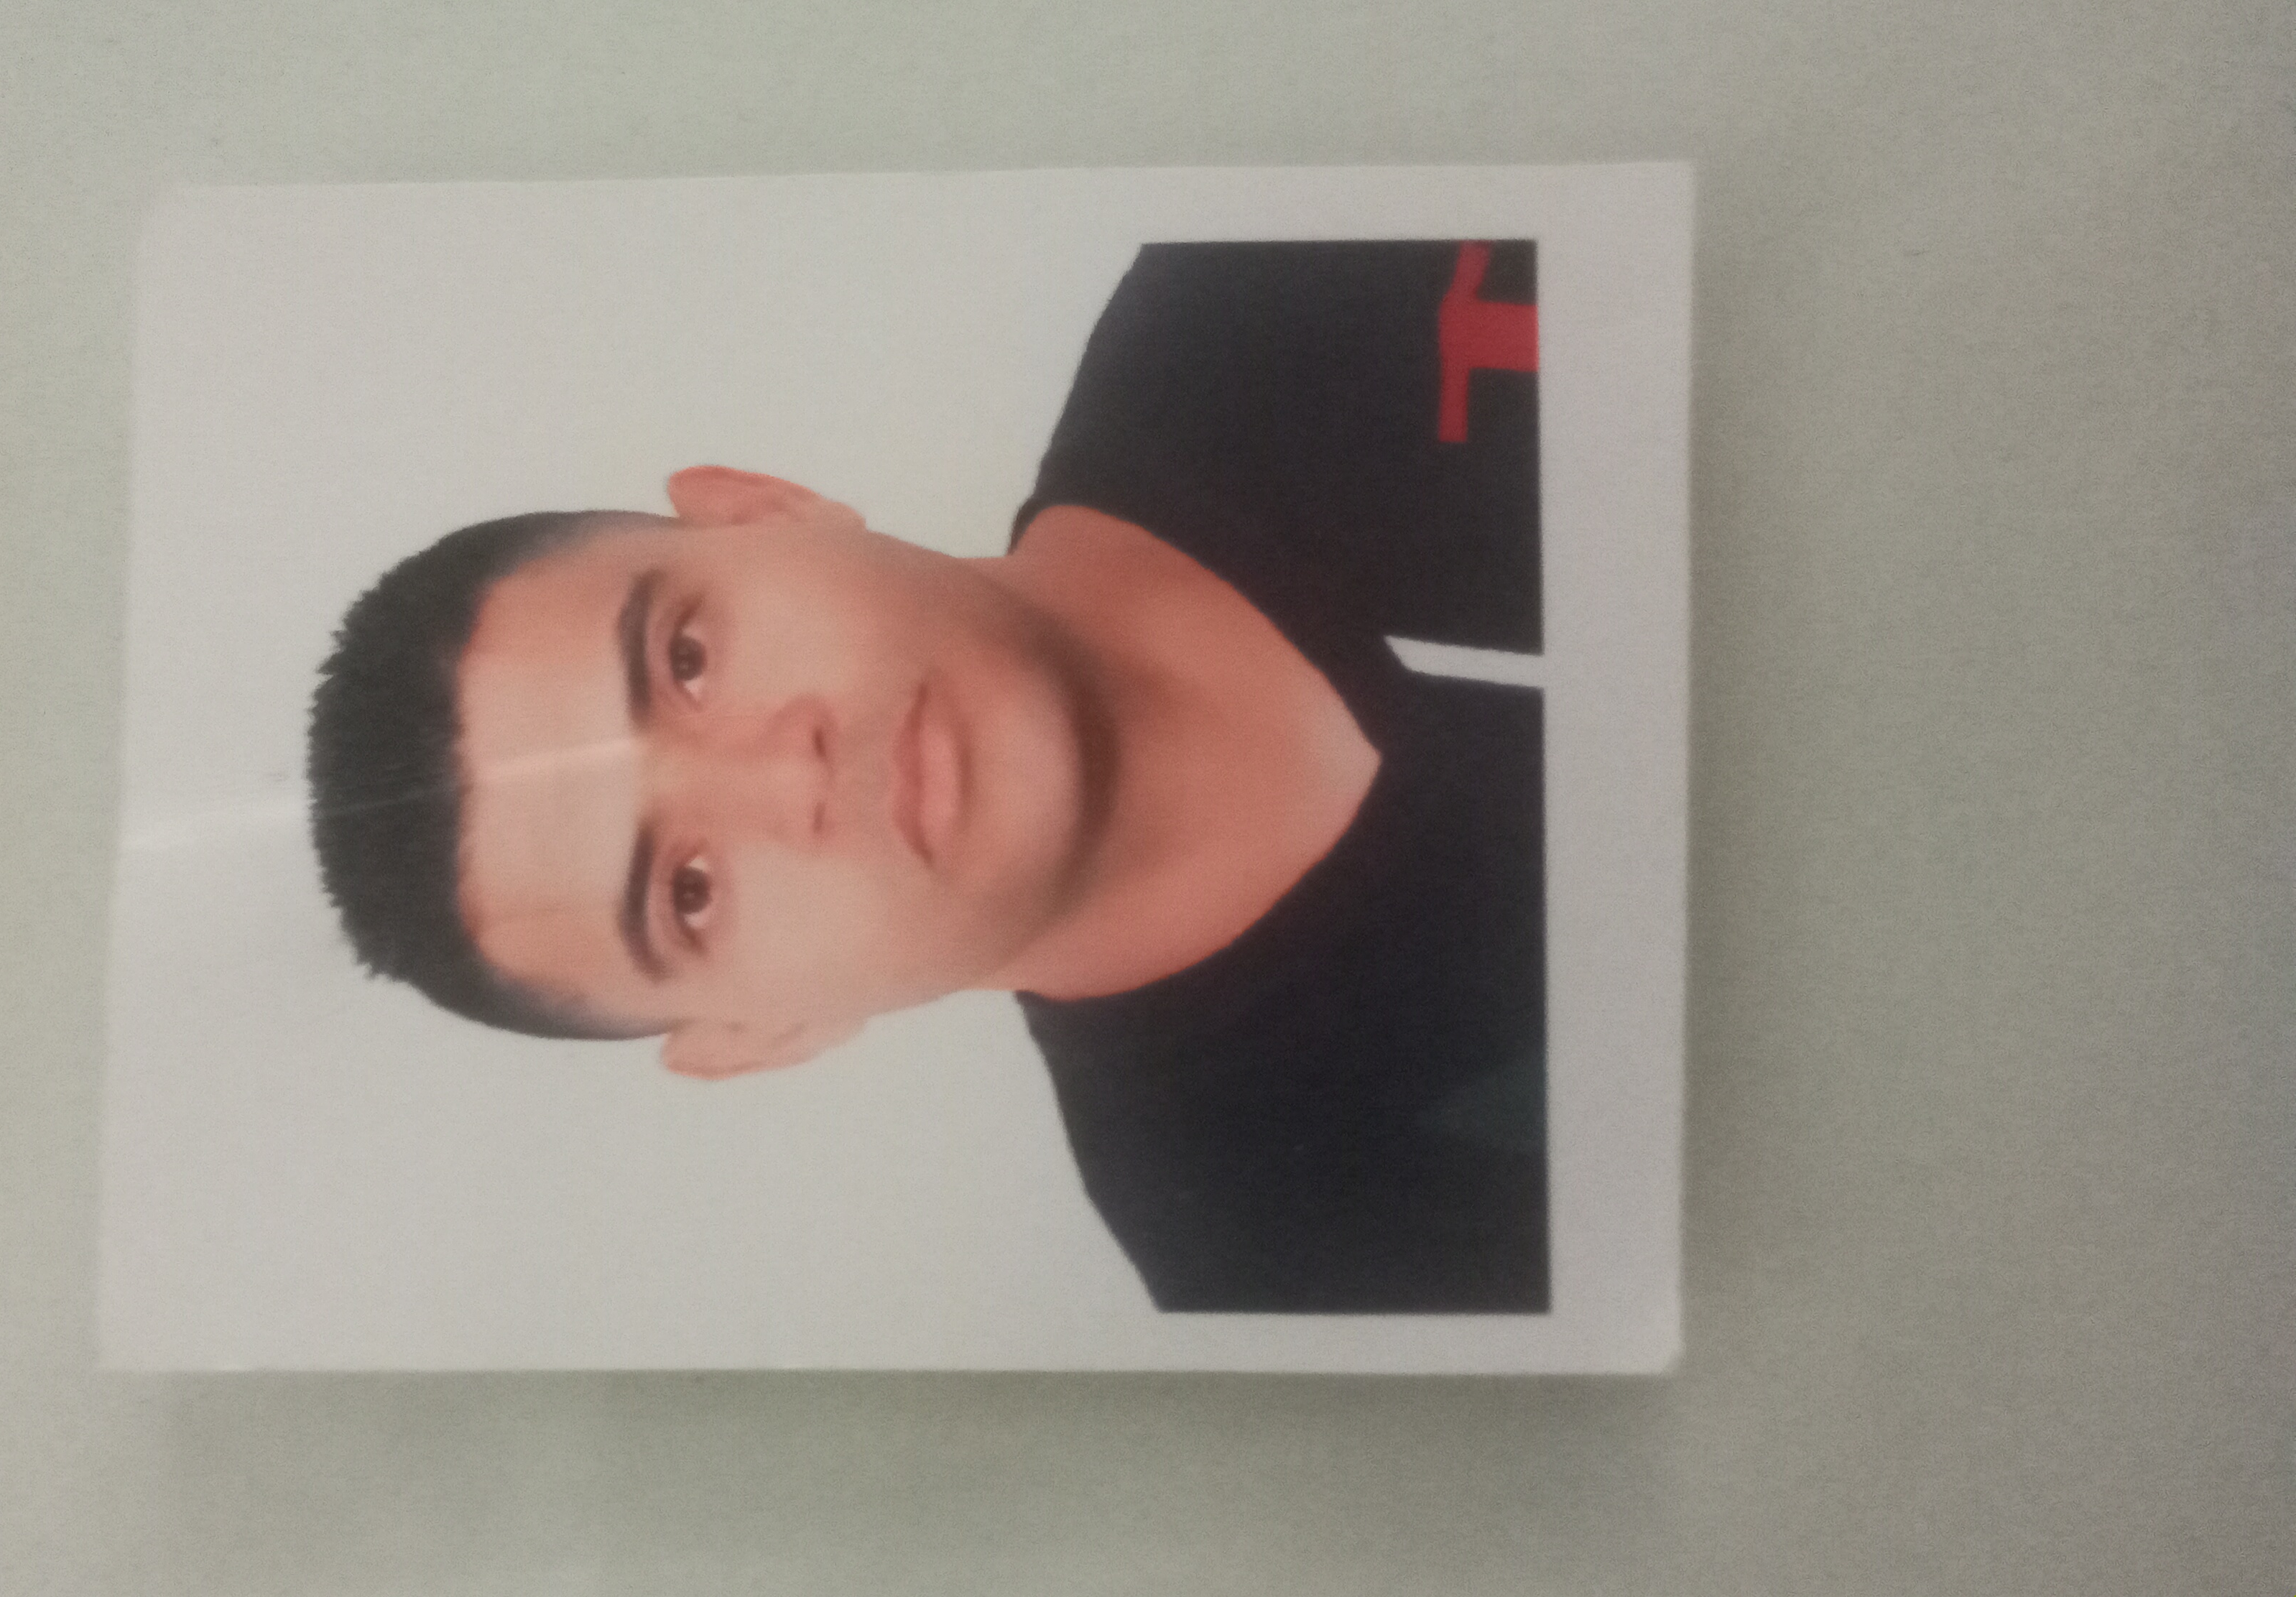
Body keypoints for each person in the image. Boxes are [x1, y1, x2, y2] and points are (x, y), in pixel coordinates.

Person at [310, 241, 1547, 1313]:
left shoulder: (1266, 289)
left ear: (761, 510)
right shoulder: (1287, 1255)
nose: (785, 774)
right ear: (759, 1035)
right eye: (688, 890)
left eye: (685, 659)